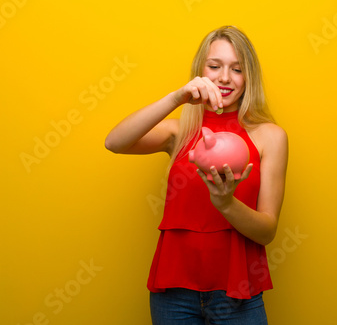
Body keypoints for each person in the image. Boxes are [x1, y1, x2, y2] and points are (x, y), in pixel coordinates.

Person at [105, 25, 288, 325]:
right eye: (214, 66)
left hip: (237, 294)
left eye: (237, 69)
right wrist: (176, 98)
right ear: (200, 71)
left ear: (249, 77)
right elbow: (114, 142)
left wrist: (227, 204)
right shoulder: (181, 131)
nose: (225, 77)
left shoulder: (270, 137)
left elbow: (267, 231)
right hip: (173, 294)